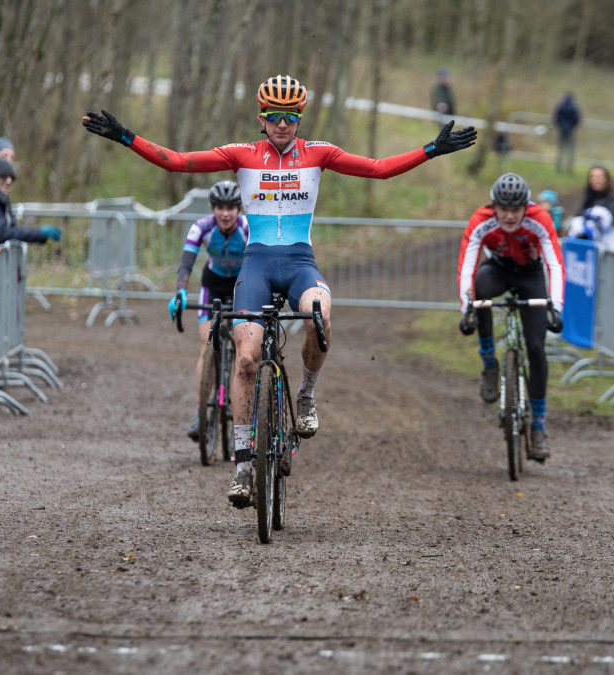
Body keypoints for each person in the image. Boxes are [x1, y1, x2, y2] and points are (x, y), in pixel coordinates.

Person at [83, 74, 476, 506]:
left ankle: (305, 395)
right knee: (247, 361)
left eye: (290, 117)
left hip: (299, 264)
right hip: (256, 267)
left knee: (321, 315)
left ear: (299, 119)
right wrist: (125, 136)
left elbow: (379, 170)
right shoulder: (242, 155)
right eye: (274, 117)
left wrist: (432, 149)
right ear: (262, 119)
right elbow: (177, 161)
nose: (283, 125)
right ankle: (244, 465)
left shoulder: (319, 154)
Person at [457, 173, 565, 461]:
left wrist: (556, 306)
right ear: (494, 207)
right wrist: (466, 307)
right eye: (503, 209)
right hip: (499, 270)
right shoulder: (480, 220)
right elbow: (467, 264)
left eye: (515, 210)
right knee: (480, 293)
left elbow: (554, 263)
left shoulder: (540, 218)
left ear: (525, 207)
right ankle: (490, 363)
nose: (508, 216)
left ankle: (539, 426)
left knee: (537, 349)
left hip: (531, 275)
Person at [168, 181, 250, 441]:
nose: (225, 214)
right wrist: (181, 288)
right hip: (212, 285)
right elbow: (186, 263)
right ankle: (201, 412)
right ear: (213, 208)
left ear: (238, 209)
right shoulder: (201, 227)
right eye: (220, 208)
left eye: (231, 208)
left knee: (245, 348)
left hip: (242, 285)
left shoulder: (248, 228)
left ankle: (248, 410)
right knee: (207, 344)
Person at [0, 159, 60, 244]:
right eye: (4, 177)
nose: (9, 181)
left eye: (11, 178)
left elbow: (12, 229)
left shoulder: (1, 196)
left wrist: (38, 234)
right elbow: (0, 234)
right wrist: (38, 233)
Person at [553, 92, 581, 174]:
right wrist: (572, 127)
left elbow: (556, 117)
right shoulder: (574, 106)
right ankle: (570, 168)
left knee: (560, 150)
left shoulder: (560, 105)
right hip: (570, 131)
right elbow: (577, 118)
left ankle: (559, 167)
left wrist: (560, 125)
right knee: (571, 151)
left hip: (561, 129)